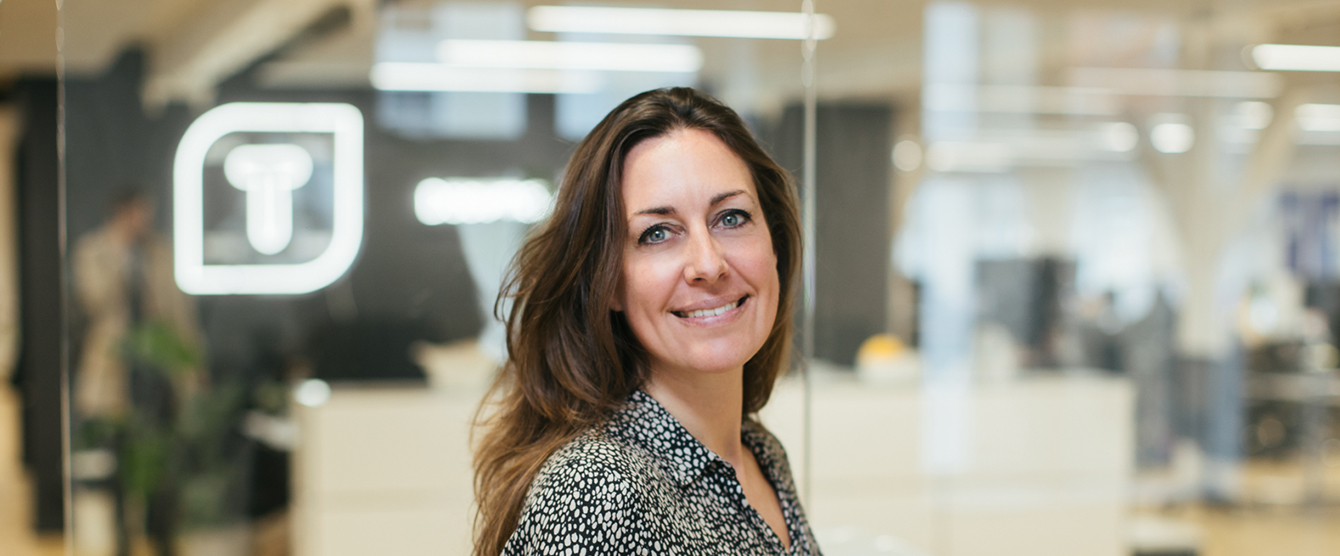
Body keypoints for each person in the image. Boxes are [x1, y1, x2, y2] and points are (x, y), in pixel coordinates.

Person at [473, 88, 816, 555]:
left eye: (731, 218)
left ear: (774, 244)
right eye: (657, 233)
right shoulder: (597, 495)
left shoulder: (760, 452)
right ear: (608, 282)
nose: (708, 264)